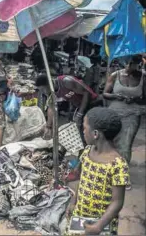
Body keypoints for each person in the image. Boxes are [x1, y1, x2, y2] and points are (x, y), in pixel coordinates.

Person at [66, 107, 128, 235]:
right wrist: (73, 202)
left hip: (101, 222)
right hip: (80, 214)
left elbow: (117, 202)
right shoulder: (87, 151)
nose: (82, 132)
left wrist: (98, 226)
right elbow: (82, 180)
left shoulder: (117, 164)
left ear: (95, 134)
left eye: (84, 128)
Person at [103, 55, 145, 181]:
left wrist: (136, 99)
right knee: (111, 143)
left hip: (132, 114)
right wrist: (116, 96)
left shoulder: (143, 76)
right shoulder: (115, 75)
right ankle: (109, 171)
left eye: (135, 64)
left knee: (125, 145)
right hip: (114, 113)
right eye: (129, 63)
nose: (131, 66)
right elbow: (105, 94)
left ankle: (122, 177)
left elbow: (145, 98)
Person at [35, 74, 99, 140]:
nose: (43, 92)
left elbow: (86, 93)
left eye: (43, 89)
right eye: (41, 90)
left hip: (92, 103)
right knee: (75, 129)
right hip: (78, 105)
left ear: (49, 83)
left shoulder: (66, 81)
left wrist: (80, 114)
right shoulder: (51, 91)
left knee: (89, 129)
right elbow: (51, 107)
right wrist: (48, 126)